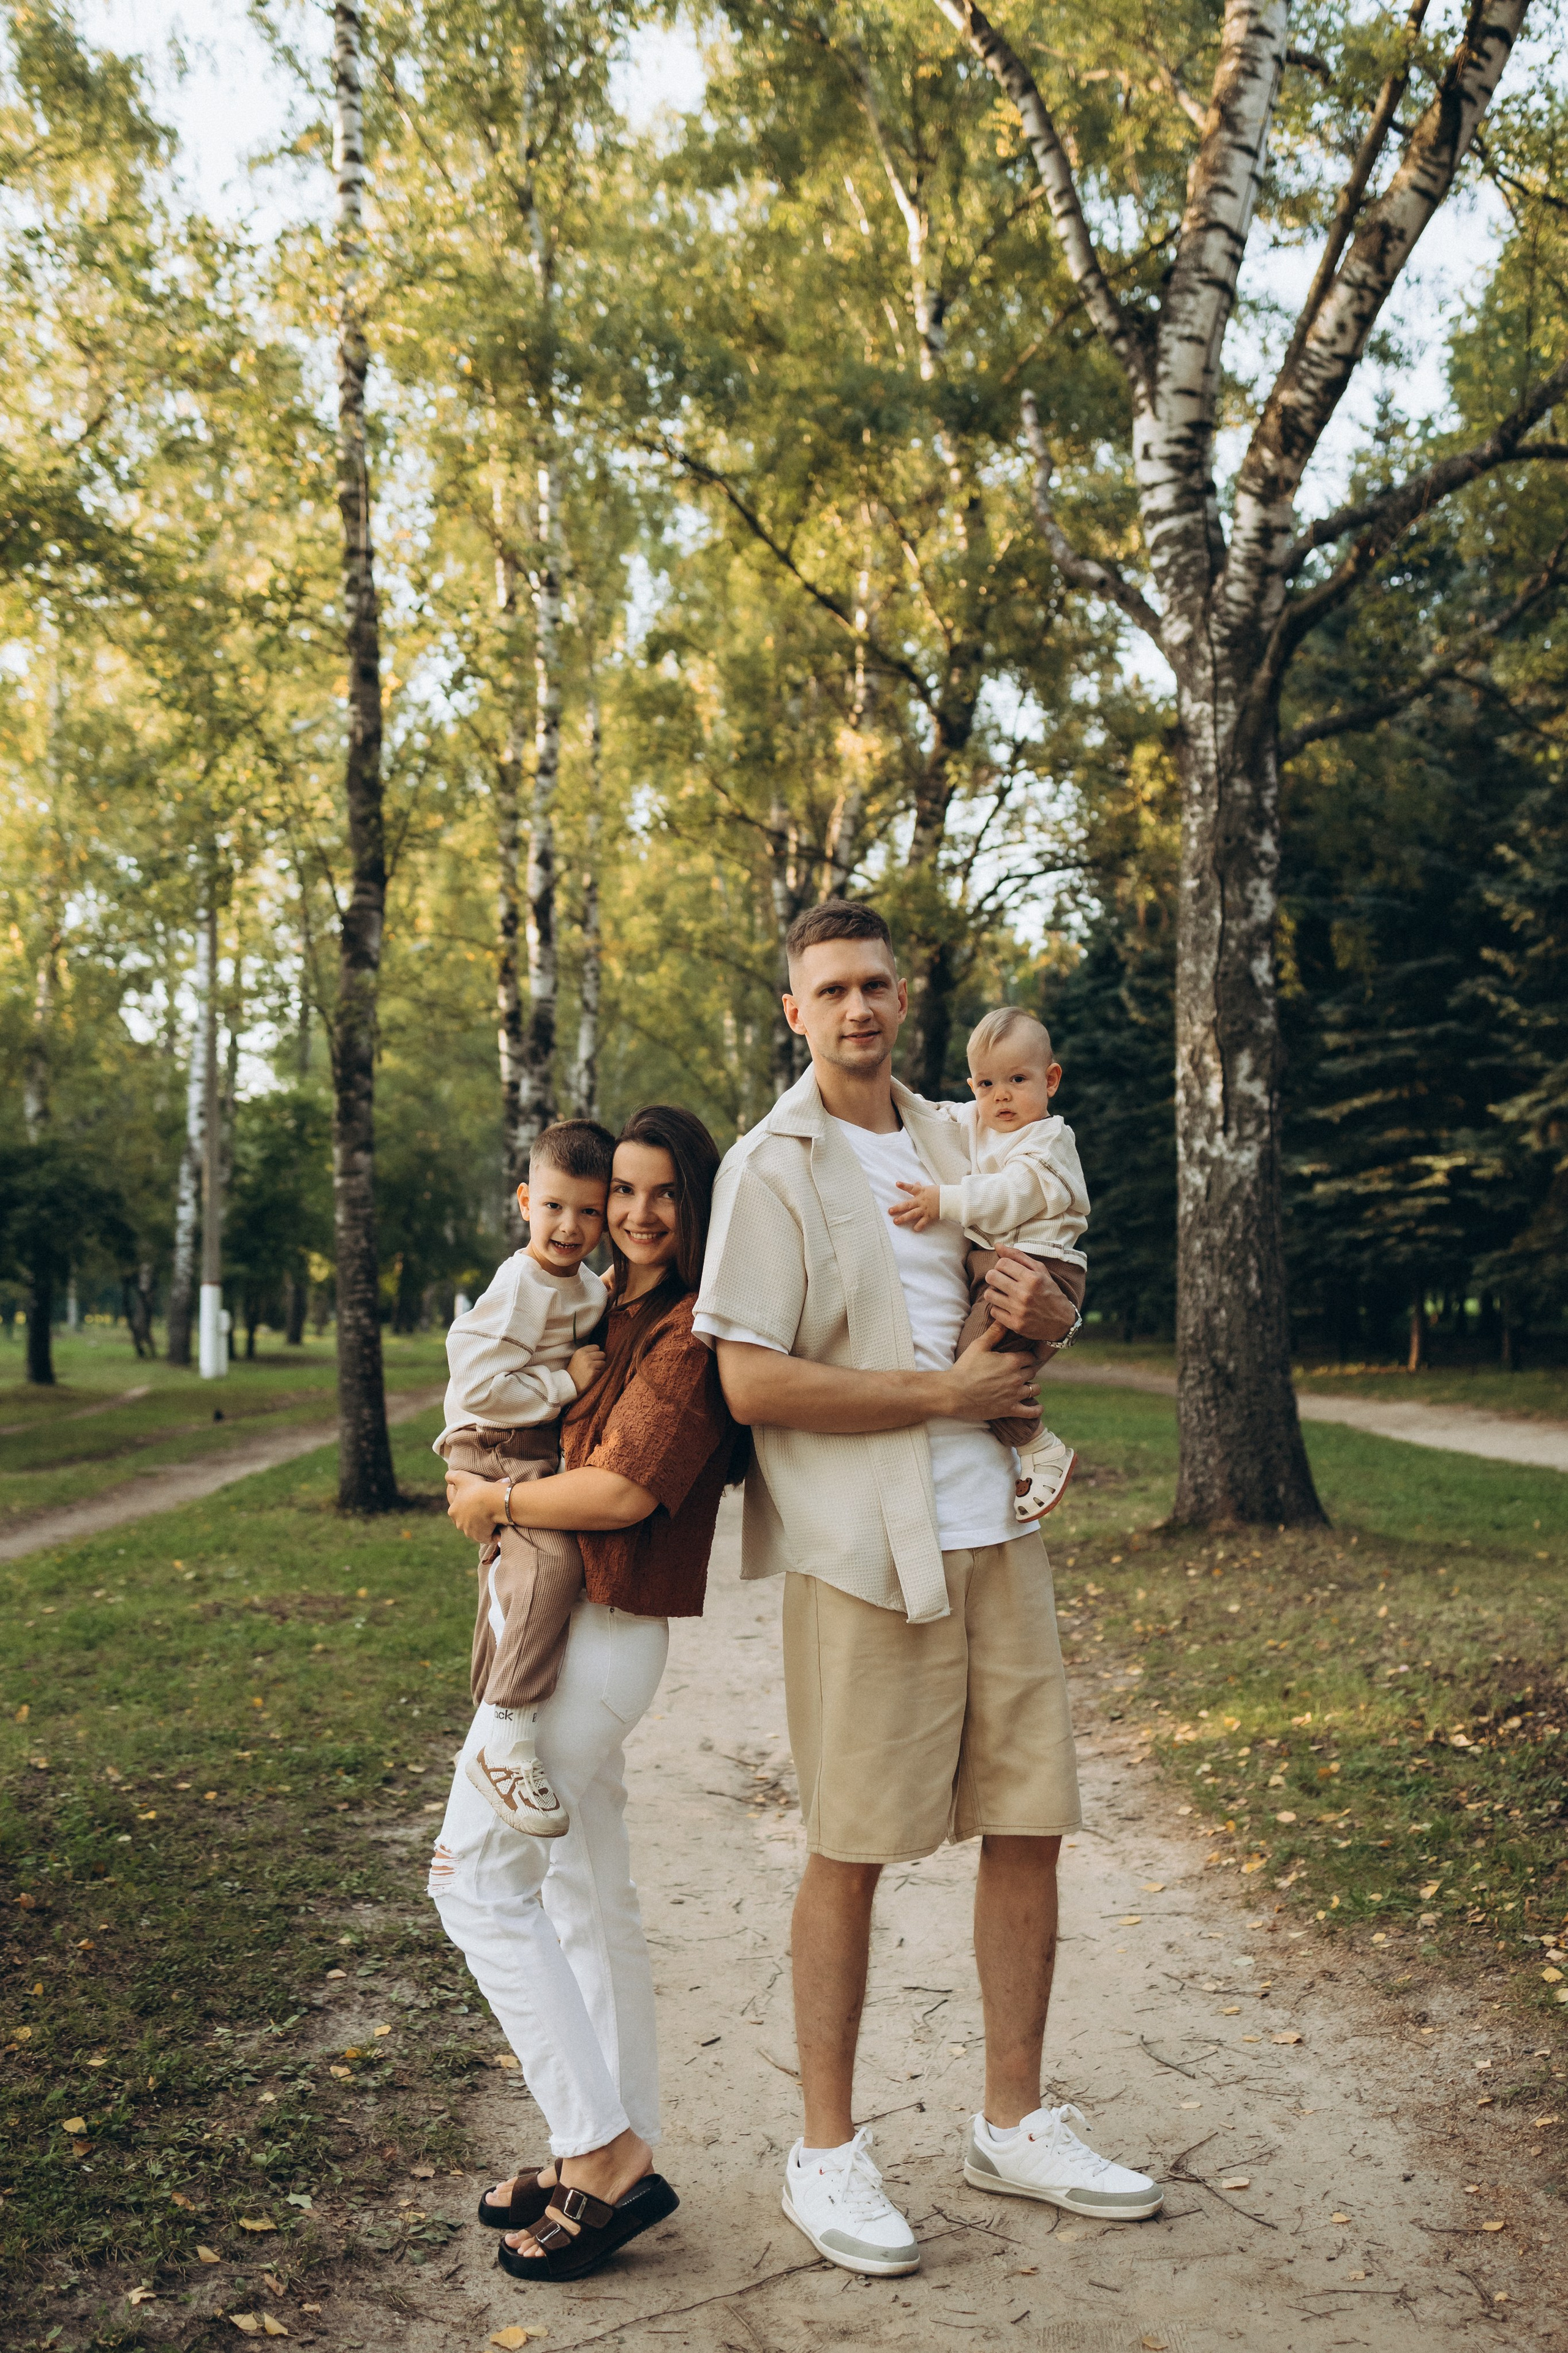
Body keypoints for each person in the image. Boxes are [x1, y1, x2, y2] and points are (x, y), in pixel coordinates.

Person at [695, 898, 1161, 2281]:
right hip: (859, 1551)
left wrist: (1046, 1316)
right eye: (830, 988)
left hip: (995, 1534)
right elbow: (748, 1380)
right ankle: (824, 2150)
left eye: (877, 984)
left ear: (905, 997)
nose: (858, 1008)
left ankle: (1009, 2121)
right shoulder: (766, 1167)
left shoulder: (968, 1133)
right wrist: (941, 1391)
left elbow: (1047, 1283)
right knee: (850, 1843)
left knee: (1029, 1823)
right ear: (794, 1009)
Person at [431, 1105, 737, 2287]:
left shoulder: (691, 1332)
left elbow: (615, 1493)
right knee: (582, 1896)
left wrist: (493, 1506)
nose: (639, 1213)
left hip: (599, 1634)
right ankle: (609, 2153)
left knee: (471, 1877)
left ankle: (599, 2146)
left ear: (695, 1205)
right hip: (584, 1629)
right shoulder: (603, 1302)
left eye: (664, 1194)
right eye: (625, 1190)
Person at [435, 1118, 618, 1839]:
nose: (569, 1226)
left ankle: (483, 1718)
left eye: (588, 1210)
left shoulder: (575, 1284)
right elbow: (477, 1380)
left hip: (524, 1439)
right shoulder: (520, 1282)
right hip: (493, 1439)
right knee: (552, 1559)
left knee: (502, 1587)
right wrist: (561, 1383)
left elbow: (587, 1310)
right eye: (553, 1206)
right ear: (523, 1201)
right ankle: (507, 1736)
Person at [888, 1005, 1088, 1520]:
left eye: (1017, 1079)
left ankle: (1041, 1446)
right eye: (985, 1083)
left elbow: (1011, 1196)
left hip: (1041, 1267)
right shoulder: (978, 1119)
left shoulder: (1050, 1141)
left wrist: (943, 1201)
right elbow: (931, 1112)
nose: (1000, 1095)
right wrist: (885, 1088)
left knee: (977, 1365)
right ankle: (1030, 1445)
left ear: (1051, 1079)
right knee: (974, 1366)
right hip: (996, 1266)